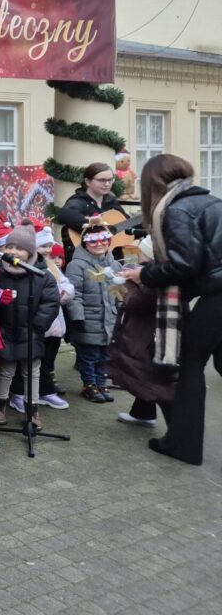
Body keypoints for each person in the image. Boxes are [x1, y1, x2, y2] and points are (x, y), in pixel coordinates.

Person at [119, 154, 222, 466]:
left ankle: (184, 445)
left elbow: (184, 264)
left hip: (218, 295)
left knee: (189, 365)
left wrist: (143, 274)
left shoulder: (177, 210)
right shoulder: (208, 199)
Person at [0, 221, 60, 431]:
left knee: (32, 372)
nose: (13, 251)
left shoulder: (42, 275)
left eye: (19, 248)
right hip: (5, 330)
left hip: (31, 332)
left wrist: (37, 325)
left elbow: (50, 303)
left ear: (29, 251)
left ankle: (32, 409)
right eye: (10, 247)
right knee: (6, 370)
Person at [110, 237, 175, 429]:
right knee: (144, 369)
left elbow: (141, 301)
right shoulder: (157, 269)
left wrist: (126, 286)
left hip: (148, 331)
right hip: (151, 329)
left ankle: (176, 426)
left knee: (151, 372)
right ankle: (143, 412)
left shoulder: (154, 273)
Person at [9, 241, 74, 410]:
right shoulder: (20, 269)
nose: (47, 250)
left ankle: (45, 391)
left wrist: (64, 293)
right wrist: (38, 323)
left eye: (48, 246)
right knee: (26, 362)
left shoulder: (51, 266)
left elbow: (64, 284)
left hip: (53, 324)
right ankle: (19, 393)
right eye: (42, 246)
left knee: (46, 361)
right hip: (35, 326)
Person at [65, 218, 123, 402]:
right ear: (85, 243)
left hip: (109, 320)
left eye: (103, 240)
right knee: (89, 356)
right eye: (93, 241)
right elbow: (75, 293)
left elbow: (119, 292)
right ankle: (89, 385)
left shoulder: (114, 264)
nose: (99, 244)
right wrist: (78, 317)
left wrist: (121, 311)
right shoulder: (77, 265)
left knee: (105, 355)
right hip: (88, 320)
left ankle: (101, 383)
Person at [55, 162, 126, 259]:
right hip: (84, 260)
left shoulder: (110, 201)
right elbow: (64, 215)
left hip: (113, 258)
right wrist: (96, 226)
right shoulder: (79, 201)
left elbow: (127, 223)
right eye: (102, 180)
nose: (107, 184)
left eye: (110, 180)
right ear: (88, 181)